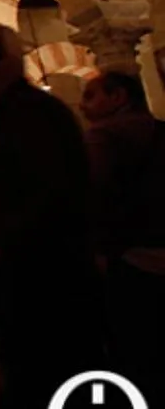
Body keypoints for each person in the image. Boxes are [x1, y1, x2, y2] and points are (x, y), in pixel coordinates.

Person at [0, 24, 104, 407]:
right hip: (36, 288)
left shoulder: (32, 116)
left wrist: (2, 250)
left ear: (1, 59)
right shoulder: (20, 115)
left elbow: (49, 199)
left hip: (44, 294)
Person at [80, 70, 165, 406]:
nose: (83, 105)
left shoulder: (104, 136)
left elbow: (92, 197)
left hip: (129, 263)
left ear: (118, 98)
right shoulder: (159, 131)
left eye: (91, 95)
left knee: (135, 360)